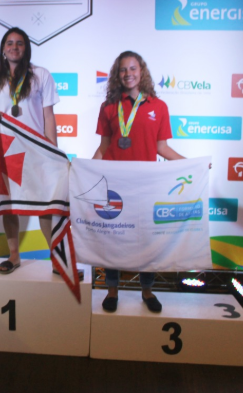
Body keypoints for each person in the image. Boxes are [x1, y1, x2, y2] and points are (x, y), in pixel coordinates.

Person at [0, 27, 80, 278]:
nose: (14, 47)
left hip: (36, 150)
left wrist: (53, 151)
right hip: (6, 150)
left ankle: (57, 259)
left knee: (48, 204)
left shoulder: (40, 75)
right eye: (10, 43)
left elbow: (49, 116)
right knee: (9, 204)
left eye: (20, 43)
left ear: (26, 48)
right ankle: (14, 256)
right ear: (3, 49)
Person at [93, 51, 185, 313]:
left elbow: (162, 148)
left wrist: (191, 164)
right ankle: (112, 290)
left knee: (147, 239)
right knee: (113, 238)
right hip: (115, 184)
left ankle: (147, 290)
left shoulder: (159, 106)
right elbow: (104, 147)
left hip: (146, 185)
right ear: (117, 75)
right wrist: (84, 170)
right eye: (123, 69)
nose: (128, 74)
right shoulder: (108, 106)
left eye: (133, 68)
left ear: (141, 72)